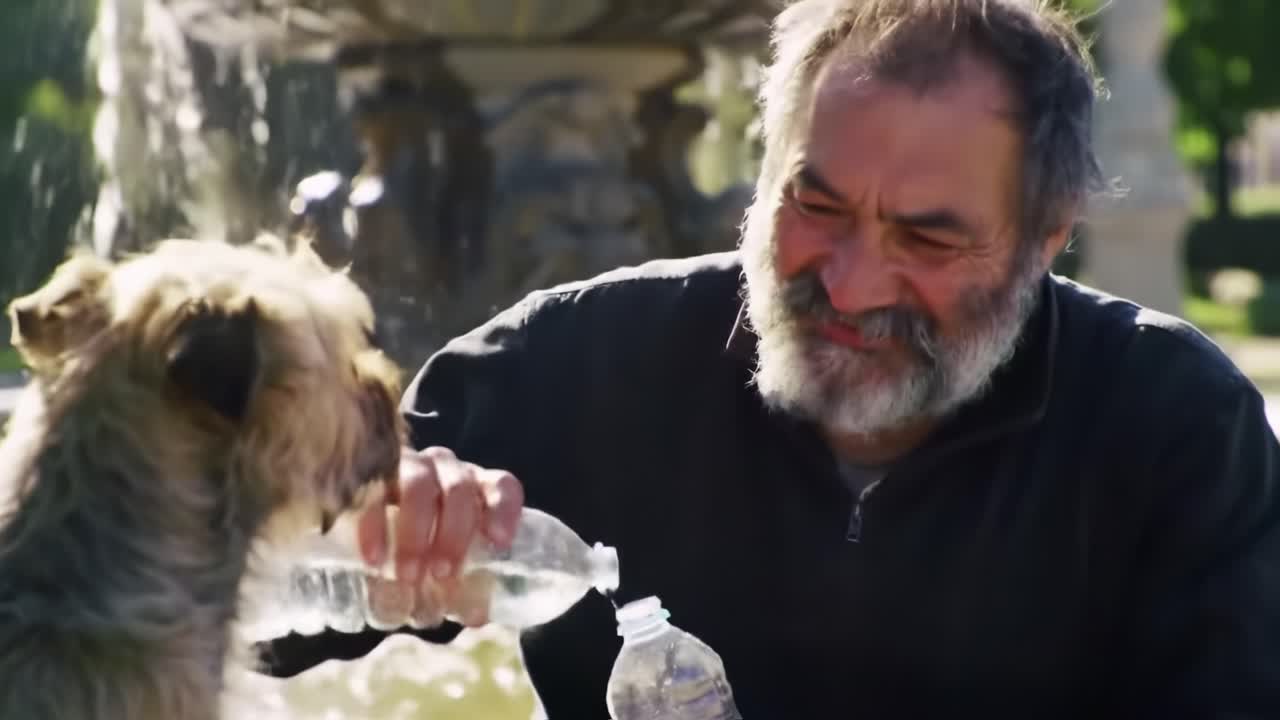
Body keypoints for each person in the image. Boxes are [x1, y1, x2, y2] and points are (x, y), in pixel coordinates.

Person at [257, 0, 1280, 716]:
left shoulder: (1172, 424)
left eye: (925, 240)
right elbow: (209, 596)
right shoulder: (572, 360)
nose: (848, 285)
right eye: (814, 206)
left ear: (1045, 237)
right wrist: (358, 530)